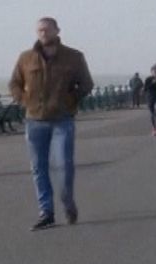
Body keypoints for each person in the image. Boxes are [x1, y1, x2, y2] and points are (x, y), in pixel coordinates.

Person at [8, 17, 94, 231]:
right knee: (39, 168)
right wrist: (24, 100)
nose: (43, 33)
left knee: (64, 164)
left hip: (62, 120)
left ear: (57, 30)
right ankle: (46, 212)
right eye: (39, 30)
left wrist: (70, 100)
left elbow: (86, 84)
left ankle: (67, 201)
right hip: (34, 121)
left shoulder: (73, 57)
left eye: (47, 29)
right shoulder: (26, 58)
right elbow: (14, 84)